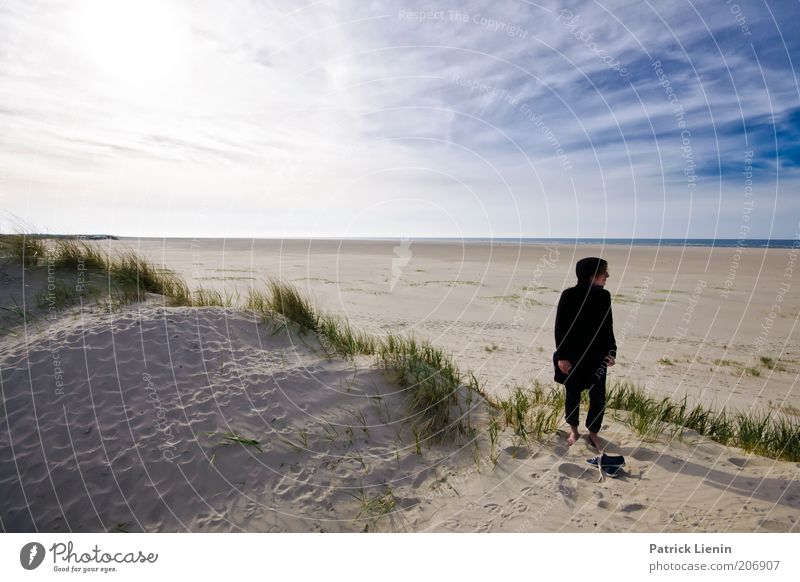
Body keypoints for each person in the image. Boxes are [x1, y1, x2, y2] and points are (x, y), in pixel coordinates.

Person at [554, 257, 617, 450]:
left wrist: (611, 351)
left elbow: (608, 326)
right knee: (573, 394)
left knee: (598, 396)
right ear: (591, 275)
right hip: (572, 356)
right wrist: (562, 356)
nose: (607, 275)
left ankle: (593, 432)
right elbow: (560, 327)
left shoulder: (604, 296)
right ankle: (574, 430)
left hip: (597, 356)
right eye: (603, 272)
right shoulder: (569, 295)